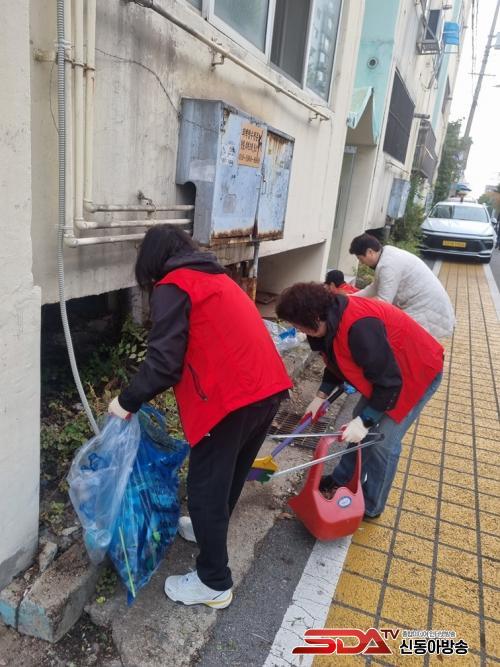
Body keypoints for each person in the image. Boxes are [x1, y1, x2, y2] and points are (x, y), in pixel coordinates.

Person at [108, 226, 292, 609]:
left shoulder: (174, 285)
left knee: (206, 486)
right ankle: (207, 529)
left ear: (152, 259)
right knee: (230, 474)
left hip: (229, 400)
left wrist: (127, 402)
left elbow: (163, 363)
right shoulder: (215, 277)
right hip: (267, 388)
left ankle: (213, 581)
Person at [275, 282, 444, 519]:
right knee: (355, 427)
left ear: (314, 316)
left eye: (298, 325)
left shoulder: (360, 327)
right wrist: (320, 396)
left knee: (382, 442)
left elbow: (389, 383)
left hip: (416, 371)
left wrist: (366, 421)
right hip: (387, 372)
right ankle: (342, 479)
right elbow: (335, 360)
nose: (298, 330)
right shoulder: (329, 321)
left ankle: (371, 505)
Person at [349, 233, 455, 339]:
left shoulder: (388, 265)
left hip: (427, 309)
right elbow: (375, 288)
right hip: (427, 305)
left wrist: (357, 305)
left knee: (405, 341)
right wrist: (350, 298)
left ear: (370, 252)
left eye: (360, 258)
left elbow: (383, 302)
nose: (361, 263)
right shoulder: (386, 255)